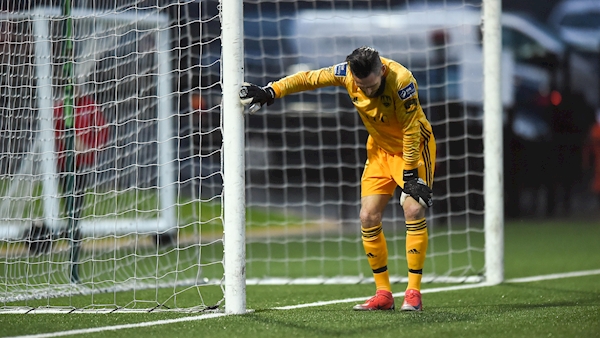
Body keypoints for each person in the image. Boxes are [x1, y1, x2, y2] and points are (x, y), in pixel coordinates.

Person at [239, 46, 436, 311]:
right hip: (379, 150)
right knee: (367, 216)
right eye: (361, 86)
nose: (366, 91)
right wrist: (272, 91)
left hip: (412, 149)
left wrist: (411, 173)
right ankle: (383, 294)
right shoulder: (345, 74)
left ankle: (413, 293)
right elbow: (307, 78)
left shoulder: (402, 81)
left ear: (382, 71)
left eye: (372, 86)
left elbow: (412, 129)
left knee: (412, 208)